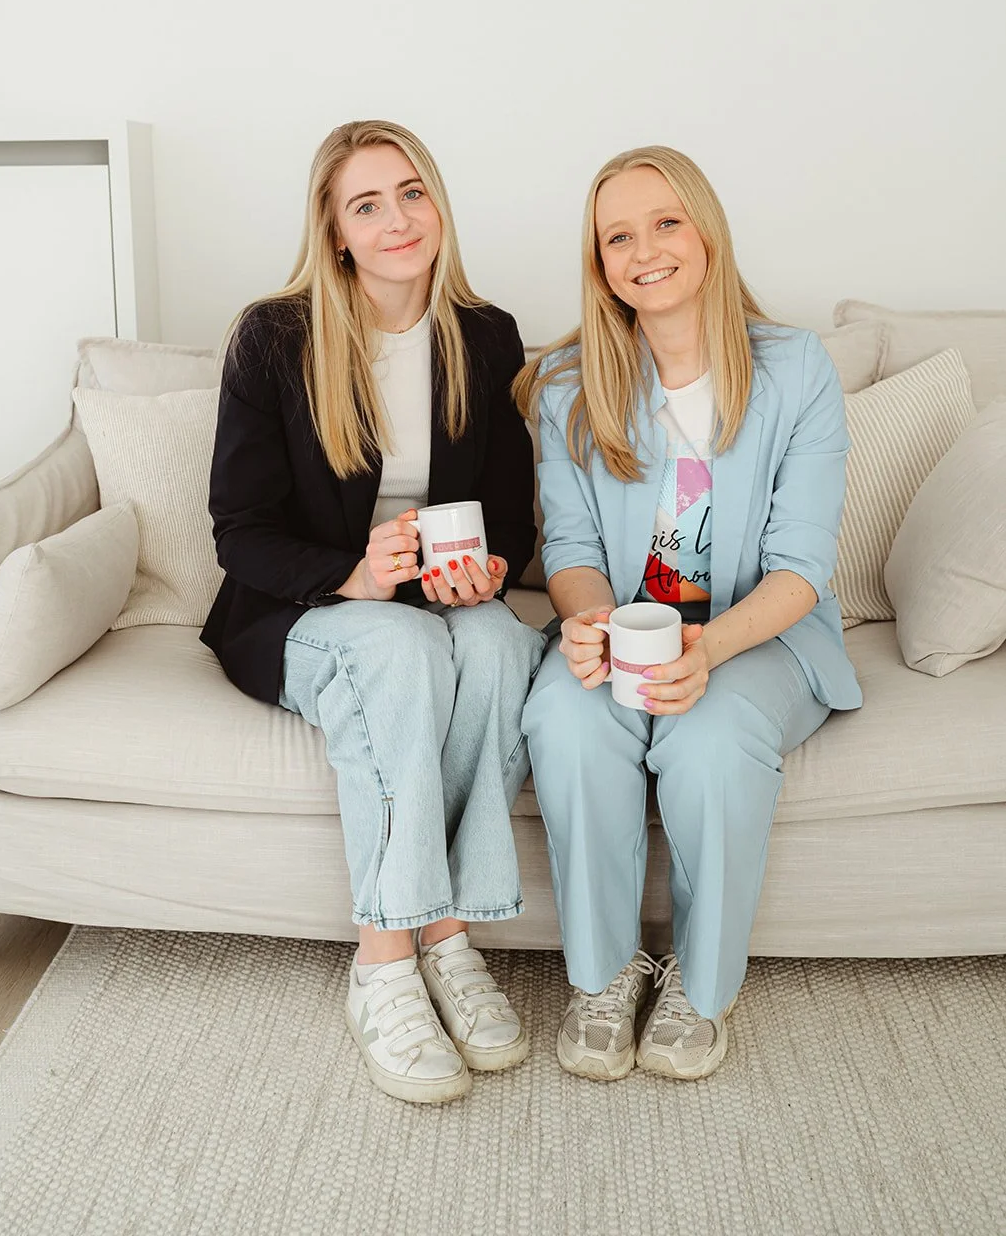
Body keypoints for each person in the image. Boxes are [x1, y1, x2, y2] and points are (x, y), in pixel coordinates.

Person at [202, 120, 544, 1105]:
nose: (397, 219)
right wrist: (352, 574)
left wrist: (489, 570)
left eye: (412, 193)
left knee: (493, 644)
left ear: (437, 204)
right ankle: (390, 958)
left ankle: (449, 932)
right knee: (396, 646)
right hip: (300, 606)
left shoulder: (485, 335)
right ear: (336, 231)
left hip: (433, 599)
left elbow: (515, 513)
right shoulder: (276, 335)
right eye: (367, 204)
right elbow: (240, 529)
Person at [514, 145, 861, 1083]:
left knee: (707, 743)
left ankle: (702, 992)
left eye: (665, 222)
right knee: (562, 718)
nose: (645, 250)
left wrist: (710, 650)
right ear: (599, 264)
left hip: (758, 632)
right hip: (627, 630)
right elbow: (574, 553)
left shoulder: (794, 368)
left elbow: (798, 569)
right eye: (617, 235)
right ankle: (603, 976)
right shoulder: (565, 386)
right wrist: (590, 624)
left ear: (705, 230)